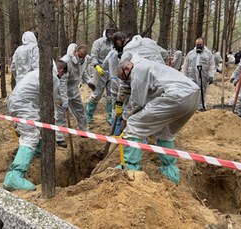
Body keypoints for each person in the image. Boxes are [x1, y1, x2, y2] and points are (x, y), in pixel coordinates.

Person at [116, 54, 200, 184]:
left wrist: (125, 118)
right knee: (165, 133)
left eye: (123, 77)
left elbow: (137, 101)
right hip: (193, 96)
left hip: (175, 95)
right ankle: (170, 173)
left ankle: (129, 168)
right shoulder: (150, 66)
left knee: (134, 124)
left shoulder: (138, 70)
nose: (125, 81)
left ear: (127, 68)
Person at [3, 60, 68, 191]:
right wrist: (62, 103)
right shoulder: (53, 77)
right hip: (23, 105)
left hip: (18, 102)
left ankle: (37, 151)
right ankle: (14, 176)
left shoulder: (39, 71)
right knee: (30, 135)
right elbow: (53, 98)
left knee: (36, 126)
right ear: (61, 71)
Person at [55, 43, 90, 148]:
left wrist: (89, 81)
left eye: (83, 57)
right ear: (75, 53)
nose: (81, 59)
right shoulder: (65, 62)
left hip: (74, 90)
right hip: (62, 92)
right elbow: (62, 83)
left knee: (80, 110)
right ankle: (59, 138)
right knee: (60, 115)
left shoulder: (84, 60)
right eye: (79, 56)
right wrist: (64, 99)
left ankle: (84, 130)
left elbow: (83, 73)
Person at [85, 27, 116, 125]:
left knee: (111, 94)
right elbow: (93, 56)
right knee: (97, 93)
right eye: (109, 32)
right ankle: (88, 115)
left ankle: (111, 116)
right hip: (99, 70)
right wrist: (97, 66)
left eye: (113, 32)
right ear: (105, 33)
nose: (111, 34)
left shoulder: (115, 43)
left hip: (111, 71)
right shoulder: (98, 43)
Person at [181, 37, 215, 111]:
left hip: (203, 75)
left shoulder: (208, 53)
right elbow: (185, 65)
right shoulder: (191, 53)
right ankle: (191, 107)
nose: (198, 46)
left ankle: (201, 106)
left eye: (200, 44)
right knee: (192, 90)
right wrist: (183, 76)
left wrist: (211, 75)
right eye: (197, 44)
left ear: (203, 44)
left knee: (202, 91)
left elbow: (211, 65)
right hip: (191, 76)